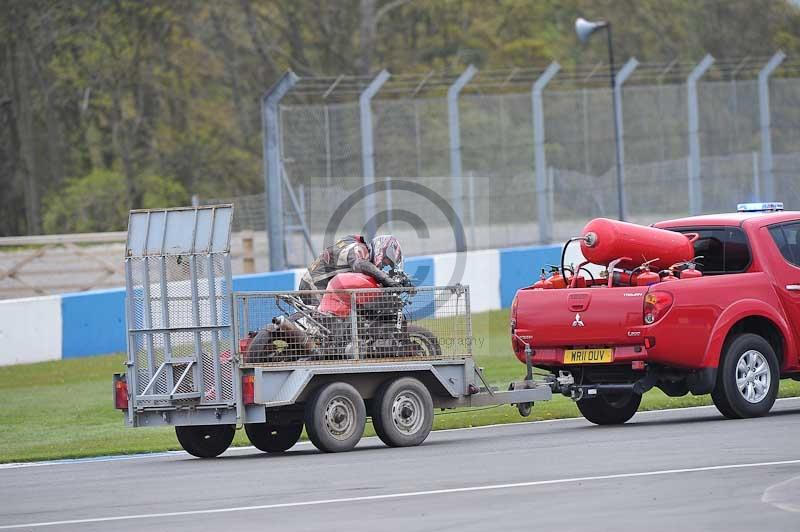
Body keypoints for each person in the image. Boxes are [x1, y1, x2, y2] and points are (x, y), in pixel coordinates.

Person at [298, 234, 403, 300]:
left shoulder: (357, 247)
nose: (384, 264)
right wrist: (386, 279)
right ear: (381, 250)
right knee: (328, 326)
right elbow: (360, 264)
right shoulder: (359, 248)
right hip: (314, 284)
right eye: (386, 260)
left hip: (320, 285)